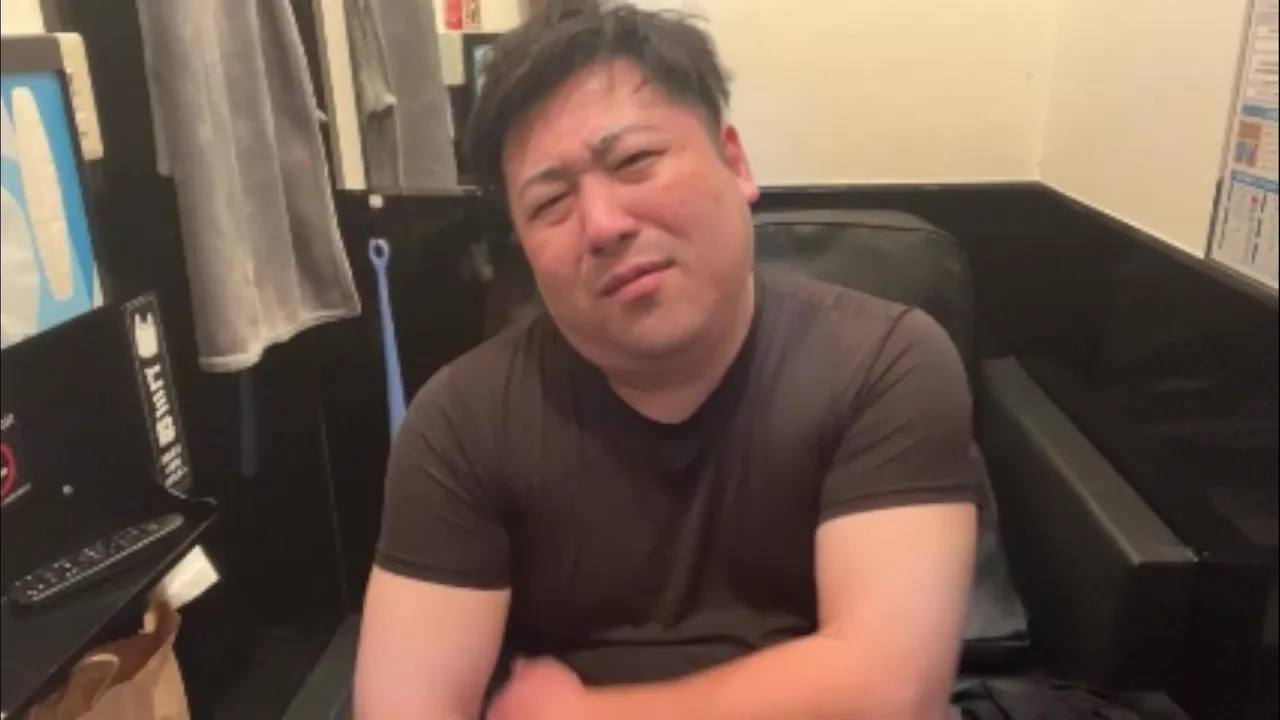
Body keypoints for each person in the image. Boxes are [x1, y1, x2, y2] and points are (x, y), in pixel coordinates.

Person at [354, 5, 985, 719]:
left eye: (634, 162)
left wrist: (585, 718)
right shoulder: (460, 423)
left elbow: (891, 694)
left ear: (735, 162)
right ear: (523, 247)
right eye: (551, 202)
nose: (603, 225)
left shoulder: (885, 363)